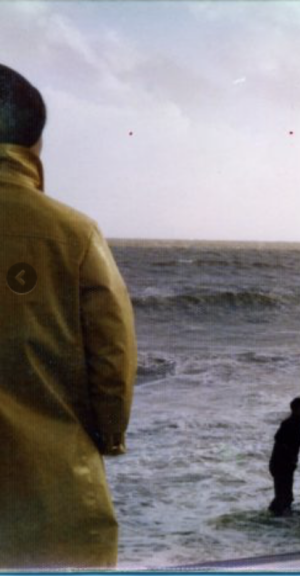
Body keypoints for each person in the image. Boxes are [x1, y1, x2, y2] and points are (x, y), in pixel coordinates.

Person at [0, 64, 137, 568]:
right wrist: (109, 437)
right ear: (34, 144)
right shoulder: (75, 234)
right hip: (53, 495)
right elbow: (112, 360)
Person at [268, 397, 300, 516]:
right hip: (282, 465)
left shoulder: (292, 423)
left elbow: (284, 440)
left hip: (281, 464)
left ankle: (276, 516)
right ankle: (278, 516)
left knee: (283, 494)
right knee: (284, 495)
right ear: (295, 409)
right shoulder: (291, 424)